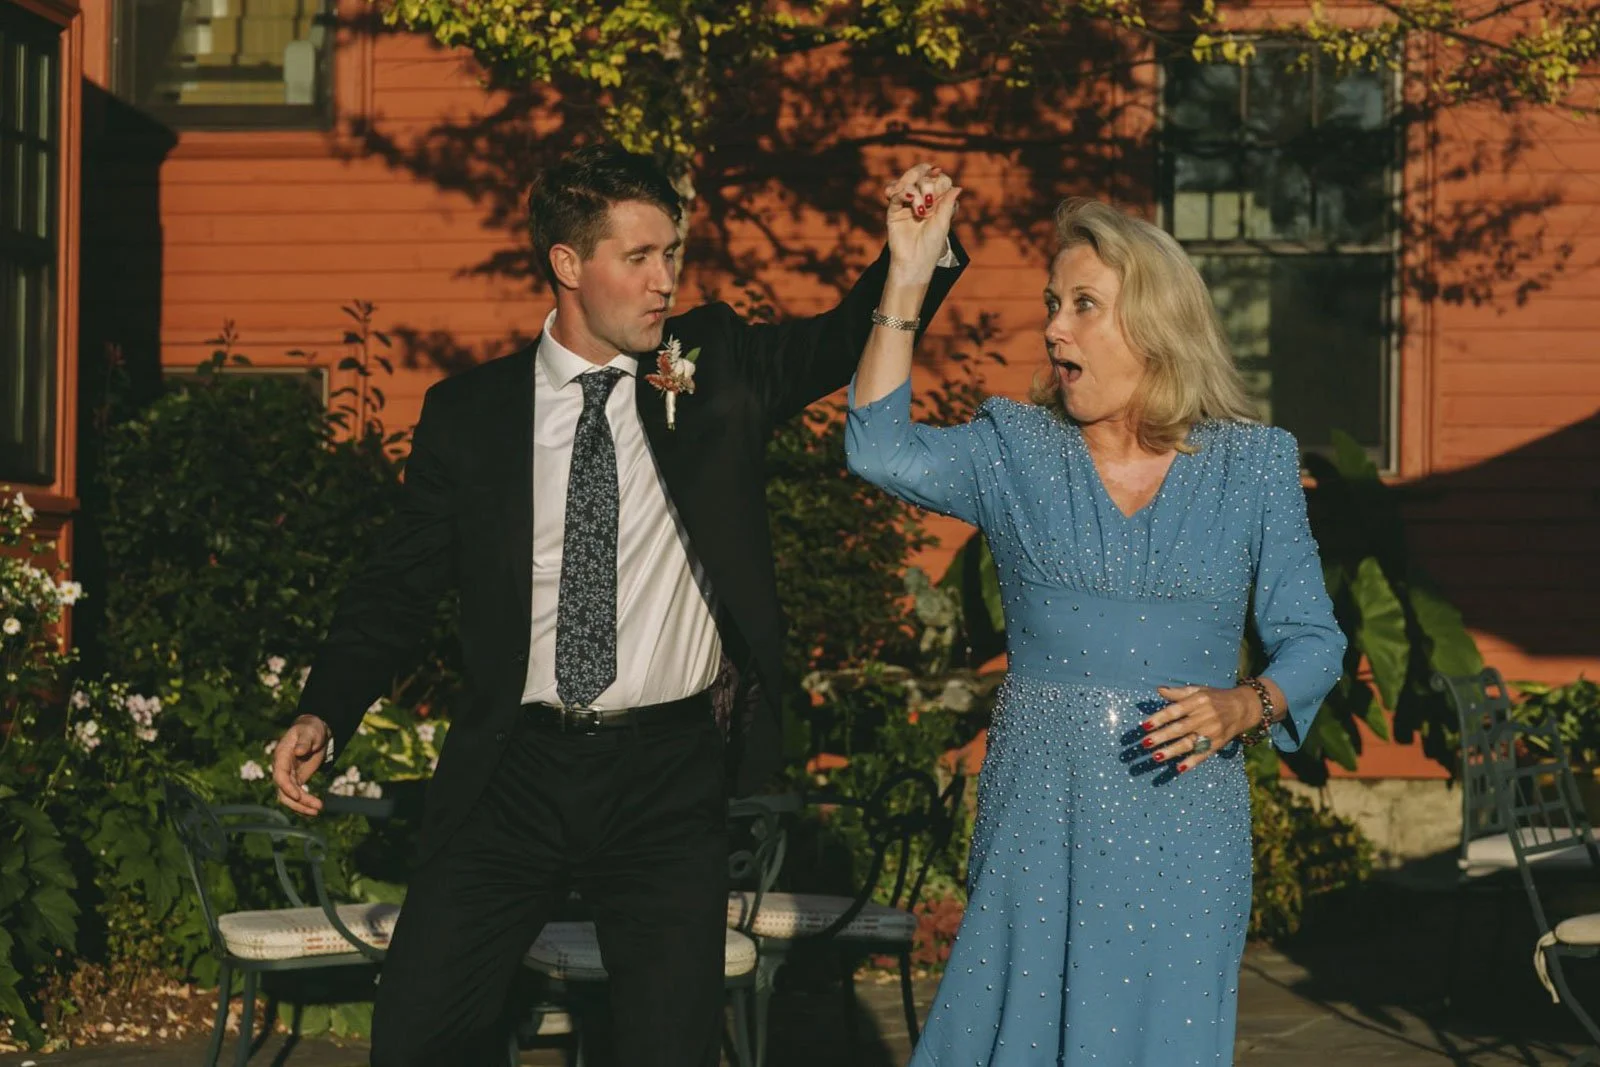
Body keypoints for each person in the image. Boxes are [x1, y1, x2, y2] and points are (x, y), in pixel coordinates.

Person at [267, 145, 966, 1067]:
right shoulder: (470, 416)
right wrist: (326, 704)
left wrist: (915, 253)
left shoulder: (713, 365)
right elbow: (397, 584)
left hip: (666, 775)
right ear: (567, 263)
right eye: (638, 257)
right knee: (419, 1031)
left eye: (671, 253)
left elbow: (843, 337)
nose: (664, 279)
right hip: (511, 771)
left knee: (666, 1046)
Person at [846, 190, 1346, 1065]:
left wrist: (1248, 704)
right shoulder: (1015, 449)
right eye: (1052, 304)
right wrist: (908, 275)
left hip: (1186, 827)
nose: (1053, 329)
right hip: (1037, 817)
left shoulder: (1252, 463)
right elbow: (876, 447)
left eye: (1083, 306)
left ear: (1153, 326)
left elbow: (1315, 638)